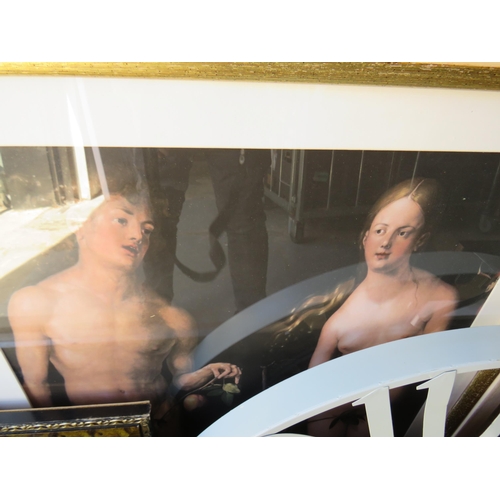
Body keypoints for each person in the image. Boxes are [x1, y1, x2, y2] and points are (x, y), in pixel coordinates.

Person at [8, 176, 241, 434]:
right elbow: (36, 387)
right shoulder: (37, 302)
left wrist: (204, 376)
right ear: (79, 225)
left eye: (147, 229)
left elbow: (180, 377)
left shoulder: (170, 316)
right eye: (121, 220)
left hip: (158, 430)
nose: (137, 235)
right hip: (93, 436)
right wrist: (61, 437)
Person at [308, 178, 458, 436]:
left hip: (393, 417)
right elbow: (311, 388)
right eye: (380, 230)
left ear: (420, 240)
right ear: (365, 237)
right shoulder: (338, 319)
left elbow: (434, 379)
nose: (386, 242)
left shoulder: (439, 297)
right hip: (334, 408)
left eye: (402, 233)